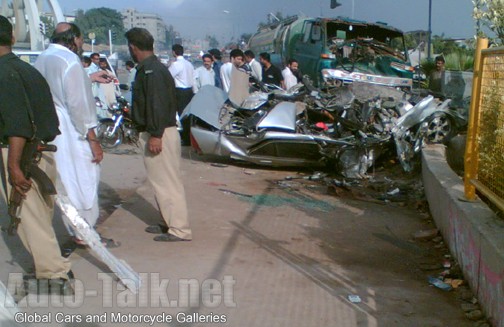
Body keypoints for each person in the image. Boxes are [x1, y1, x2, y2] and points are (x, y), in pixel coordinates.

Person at [0, 15, 72, 288]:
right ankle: (57, 266)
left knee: (27, 219)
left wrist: (13, 167)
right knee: (40, 216)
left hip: (21, 153)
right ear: (12, 39)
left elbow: (16, 125)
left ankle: (53, 275)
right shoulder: (26, 69)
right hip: (41, 151)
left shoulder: (3, 74)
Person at [34, 22, 109, 247]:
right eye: (81, 39)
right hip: (71, 130)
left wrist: (91, 78)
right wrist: (92, 139)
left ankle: (75, 228)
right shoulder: (69, 61)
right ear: (74, 39)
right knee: (84, 178)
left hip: (50, 127)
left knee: (65, 180)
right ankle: (84, 231)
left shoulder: (43, 58)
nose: (82, 44)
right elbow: (79, 105)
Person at [125, 27, 192, 242]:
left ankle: (179, 229)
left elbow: (157, 105)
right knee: (161, 181)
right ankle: (169, 221)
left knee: (167, 183)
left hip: (159, 132)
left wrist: (155, 135)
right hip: (161, 130)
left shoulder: (151, 71)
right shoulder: (154, 68)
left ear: (133, 48)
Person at [168, 44, 195, 145]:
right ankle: (188, 137)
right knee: (187, 115)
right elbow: (193, 80)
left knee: (181, 115)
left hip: (180, 91)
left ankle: (185, 138)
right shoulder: (189, 64)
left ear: (174, 52)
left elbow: (168, 77)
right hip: (189, 91)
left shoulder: (176, 64)